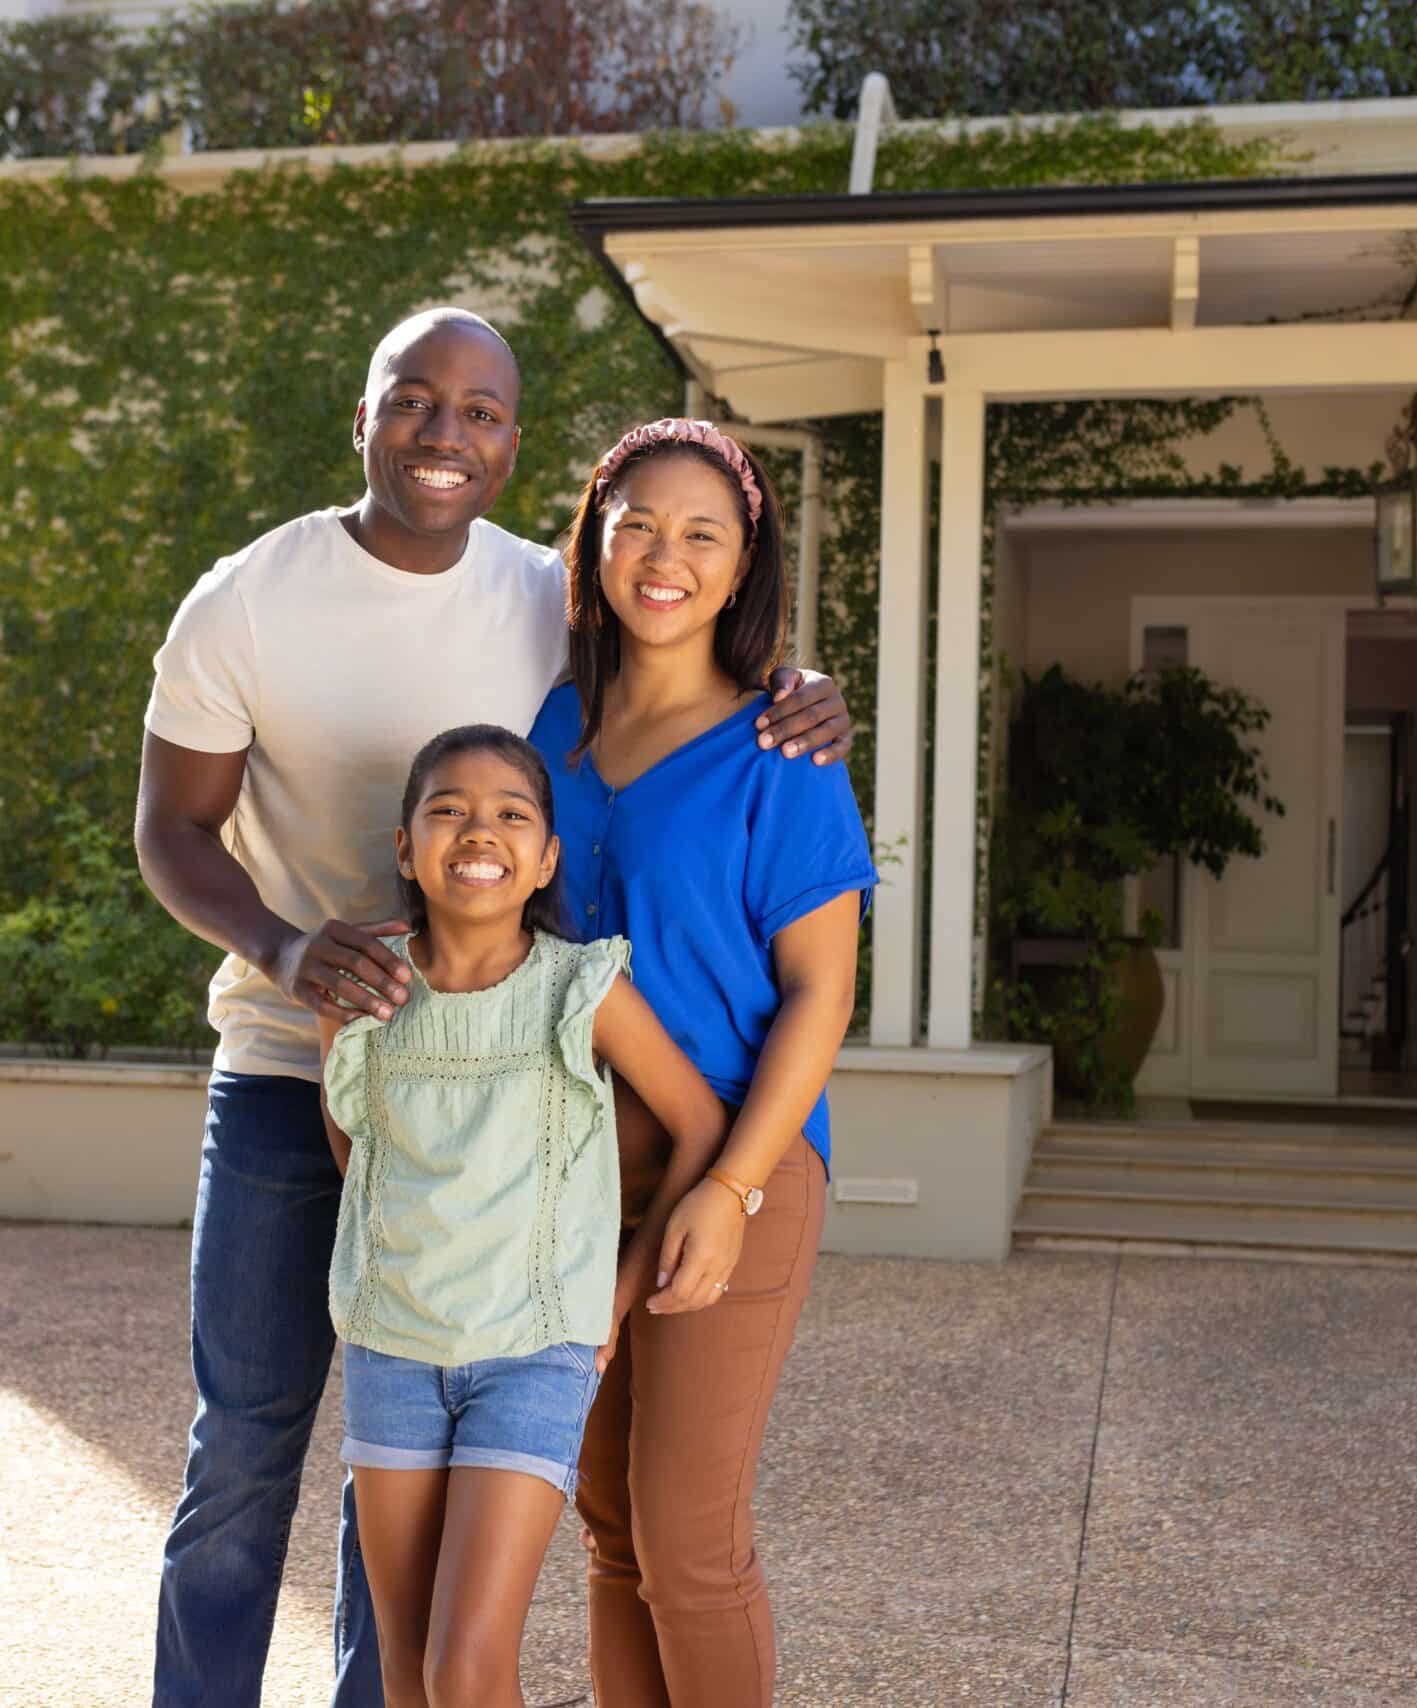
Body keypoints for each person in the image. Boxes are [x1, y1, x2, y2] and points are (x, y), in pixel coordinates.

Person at [133, 308, 853, 1708]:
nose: (447, 434)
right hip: (389, 1100)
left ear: (516, 444)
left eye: (482, 412)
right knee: (285, 1456)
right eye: (416, 400)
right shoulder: (286, 609)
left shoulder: (632, 652)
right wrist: (289, 957)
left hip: (618, 1131)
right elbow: (172, 832)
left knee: (611, 1519)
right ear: (364, 415)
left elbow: (816, 961)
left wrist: (802, 686)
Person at [528, 419, 877, 1706]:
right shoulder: (554, 723)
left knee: (687, 1538)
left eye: (700, 534)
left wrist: (729, 1192)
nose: (663, 557)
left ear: (742, 568)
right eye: (637, 526)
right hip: (574, 1166)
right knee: (611, 1526)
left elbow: (820, 992)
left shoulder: (784, 752)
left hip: (738, 1160)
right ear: (596, 547)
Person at [317, 724, 734, 1708]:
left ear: (546, 855)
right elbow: (354, 1147)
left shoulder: (579, 989)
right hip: (391, 1342)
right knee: (408, 1668)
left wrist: (619, 1297)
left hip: (534, 1349)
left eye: (511, 812)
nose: (478, 829)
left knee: (466, 1668)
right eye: (447, 809)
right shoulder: (359, 990)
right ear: (404, 846)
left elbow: (699, 1123)